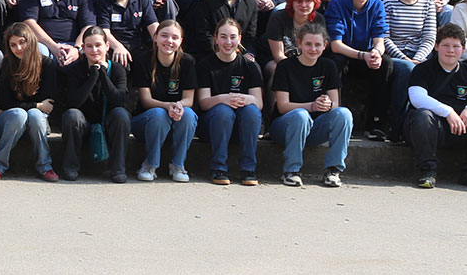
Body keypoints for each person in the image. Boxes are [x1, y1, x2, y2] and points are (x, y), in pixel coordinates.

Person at [404, 23, 467, 190]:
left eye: (456, 46)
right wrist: (448, 112)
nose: (450, 51)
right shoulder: (423, 70)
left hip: (461, 128)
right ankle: (428, 170)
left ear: (463, 49)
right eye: (445, 45)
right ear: (436, 46)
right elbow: (417, 98)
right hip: (433, 128)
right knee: (422, 115)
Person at [271, 22, 353, 187]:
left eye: (317, 45)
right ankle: (291, 171)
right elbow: (282, 106)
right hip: (285, 127)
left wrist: (327, 104)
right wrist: (311, 106)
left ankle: (333, 170)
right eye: (308, 44)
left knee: (344, 114)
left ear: (324, 46)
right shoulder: (285, 66)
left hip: (315, 127)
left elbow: (335, 105)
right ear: (299, 43)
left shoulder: (328, 66)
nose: (313, 49)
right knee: (301, 115)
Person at [56, 26, 132, 182]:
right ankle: (70, 167)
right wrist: (93, 75)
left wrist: (103, 75)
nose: (94, 50)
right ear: (82, 48)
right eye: (89, 46)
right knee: (72, 115)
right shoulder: (76, 69)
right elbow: (74, 102)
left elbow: (118, 100)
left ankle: (118, 169)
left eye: (98, 45)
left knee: (121, 115)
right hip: (84, 124)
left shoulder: (117, 69)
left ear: (107, 46)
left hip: (108, 123)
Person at [325, 0, 393, 140]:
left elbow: (380, 39)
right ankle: (334, 118)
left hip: (365, 56)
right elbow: (336, 45)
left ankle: (376, 123)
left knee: (385, 63)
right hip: (345, 54)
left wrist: (376, 52)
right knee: (335, 62)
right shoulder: (337, 3)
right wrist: (363, 55)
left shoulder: (377, 5)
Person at [0, 24, 59, 181]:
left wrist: (34, 107)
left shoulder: (47, 65)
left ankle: (45, 167)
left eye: (22, 42)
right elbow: (5, 102)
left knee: (34, 114)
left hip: (36, 124)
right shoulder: (7, 64)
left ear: (31, 41)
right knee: (20, 114)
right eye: (13, 45)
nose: (18, 48)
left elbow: (49, 103)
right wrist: (35, 104)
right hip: (10, 122)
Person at [197, 16, 265, 185]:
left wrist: (245, 99)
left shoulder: (250, 66)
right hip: (214, 125)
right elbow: (204, 102)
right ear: (216, 38)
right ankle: (218, 168)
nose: (228, 42)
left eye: (233, 37)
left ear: (240, 38)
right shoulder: (205, 65)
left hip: (243, 126)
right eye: (223, 36)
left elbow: (259, 103)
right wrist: (223, 98)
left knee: (251, 110)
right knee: (223, 110)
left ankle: (248, 169)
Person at [130, 19, 198, 182]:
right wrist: (168, 106)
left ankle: (178, 165)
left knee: (188, 114)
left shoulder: (187, 61)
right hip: (146, 122)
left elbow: (189, 99)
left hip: (176, 120)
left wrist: (179, 106)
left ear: (180, 41)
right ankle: (150, 165)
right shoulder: (143, 60)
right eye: (164, 36)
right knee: (159, 114)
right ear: (155, 37)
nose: (169, 41)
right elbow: (146, 100)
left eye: (175, 37)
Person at [382, 0, 438, 135]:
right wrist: (406, 59)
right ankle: (396, 125)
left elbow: (429, 36)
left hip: (420, 55)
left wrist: (419, 58)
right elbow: (384, 37)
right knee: (407, 69)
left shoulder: (427, 2)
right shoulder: (387, 1)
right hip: (396, 56)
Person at [94, 0, 158, 68]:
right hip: (113, 46)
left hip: (138, 46)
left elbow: (154, 28)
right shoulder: (102, 1)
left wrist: (162, 45)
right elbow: (105, 32)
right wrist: (118, 47)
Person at [264, 0, 322, 84]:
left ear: (315, 2)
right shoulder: (278, 18)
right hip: (273, 58)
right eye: (299, 1)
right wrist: (298, 69)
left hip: (306, 59)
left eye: (308, 0)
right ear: (291, 2)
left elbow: (320, 50)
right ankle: (275, 101)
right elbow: (278, 56)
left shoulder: (319, 20)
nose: (303, 5)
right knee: (279, 70)